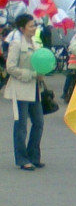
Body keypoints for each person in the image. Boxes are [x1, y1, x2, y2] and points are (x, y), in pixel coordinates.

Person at [4, 13, 45, 170]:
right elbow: (10, 67)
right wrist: (31, 74)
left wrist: (42, 72)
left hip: (35, 89)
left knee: (39, 123)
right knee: (21, 126)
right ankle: (22, 159)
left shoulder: (35, 43)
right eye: (31, 26)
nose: (34, 28)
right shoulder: (16, 44)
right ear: (22, 28)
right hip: (21, 89)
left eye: (35, 25)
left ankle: (34, 155)